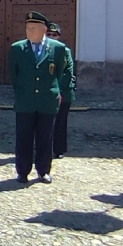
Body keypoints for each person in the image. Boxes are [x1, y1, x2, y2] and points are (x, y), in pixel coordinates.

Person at [8, 11, 72, 184]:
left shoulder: (58, 48)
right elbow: (14, 76)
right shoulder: (17, 48)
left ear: (44, 29)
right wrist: (22, 93)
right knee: (24, 137)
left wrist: (54, 90)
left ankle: (43, 170)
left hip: (47, 100)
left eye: (34, 28)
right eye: (28, 28)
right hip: (25, 100)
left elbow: (59, 72)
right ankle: (22, 171)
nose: (30, 31)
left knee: (45, 137)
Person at [47, 23, 76, 158]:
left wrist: (55, 87)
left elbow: (68, 73)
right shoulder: (42, 49)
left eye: (54, 35)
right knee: (44, 122)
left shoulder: (65, 51)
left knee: (60, 122)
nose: (52, 37)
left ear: (59, 36)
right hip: (45, 92)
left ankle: (58, 149)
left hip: (63, 91)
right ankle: (44, 148)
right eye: (49, 34)